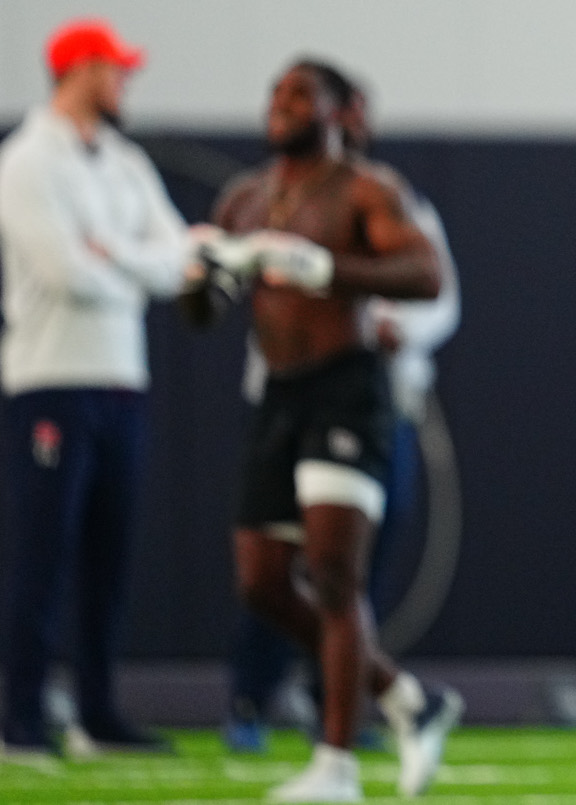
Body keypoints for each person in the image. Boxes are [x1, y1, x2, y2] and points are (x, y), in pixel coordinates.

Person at [188, 61, 461, 802]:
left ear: (339, 112)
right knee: (263, 582)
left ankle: (335, 764)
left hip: (348, 388)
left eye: (301, 95)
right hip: (276, 393)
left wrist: (324, 268)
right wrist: (202, 277)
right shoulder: (245, 197)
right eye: (276, 93)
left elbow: (427, 275)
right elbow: (204, 311)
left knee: (336, 574)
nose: (282, 106)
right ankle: (406, 696)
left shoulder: (368, 188)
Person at [0, 21, 192, 757]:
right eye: (114, 69)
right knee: (43, 553)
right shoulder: (26, 160)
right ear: (78, 69)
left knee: (108, 560)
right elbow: (64, 272)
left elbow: (180, 259)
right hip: (51, 382)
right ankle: (20, 713)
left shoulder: (123, 160)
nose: (124, 83)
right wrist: (139, 264)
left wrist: (121, 256)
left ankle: (97, 710)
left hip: (121, 380)